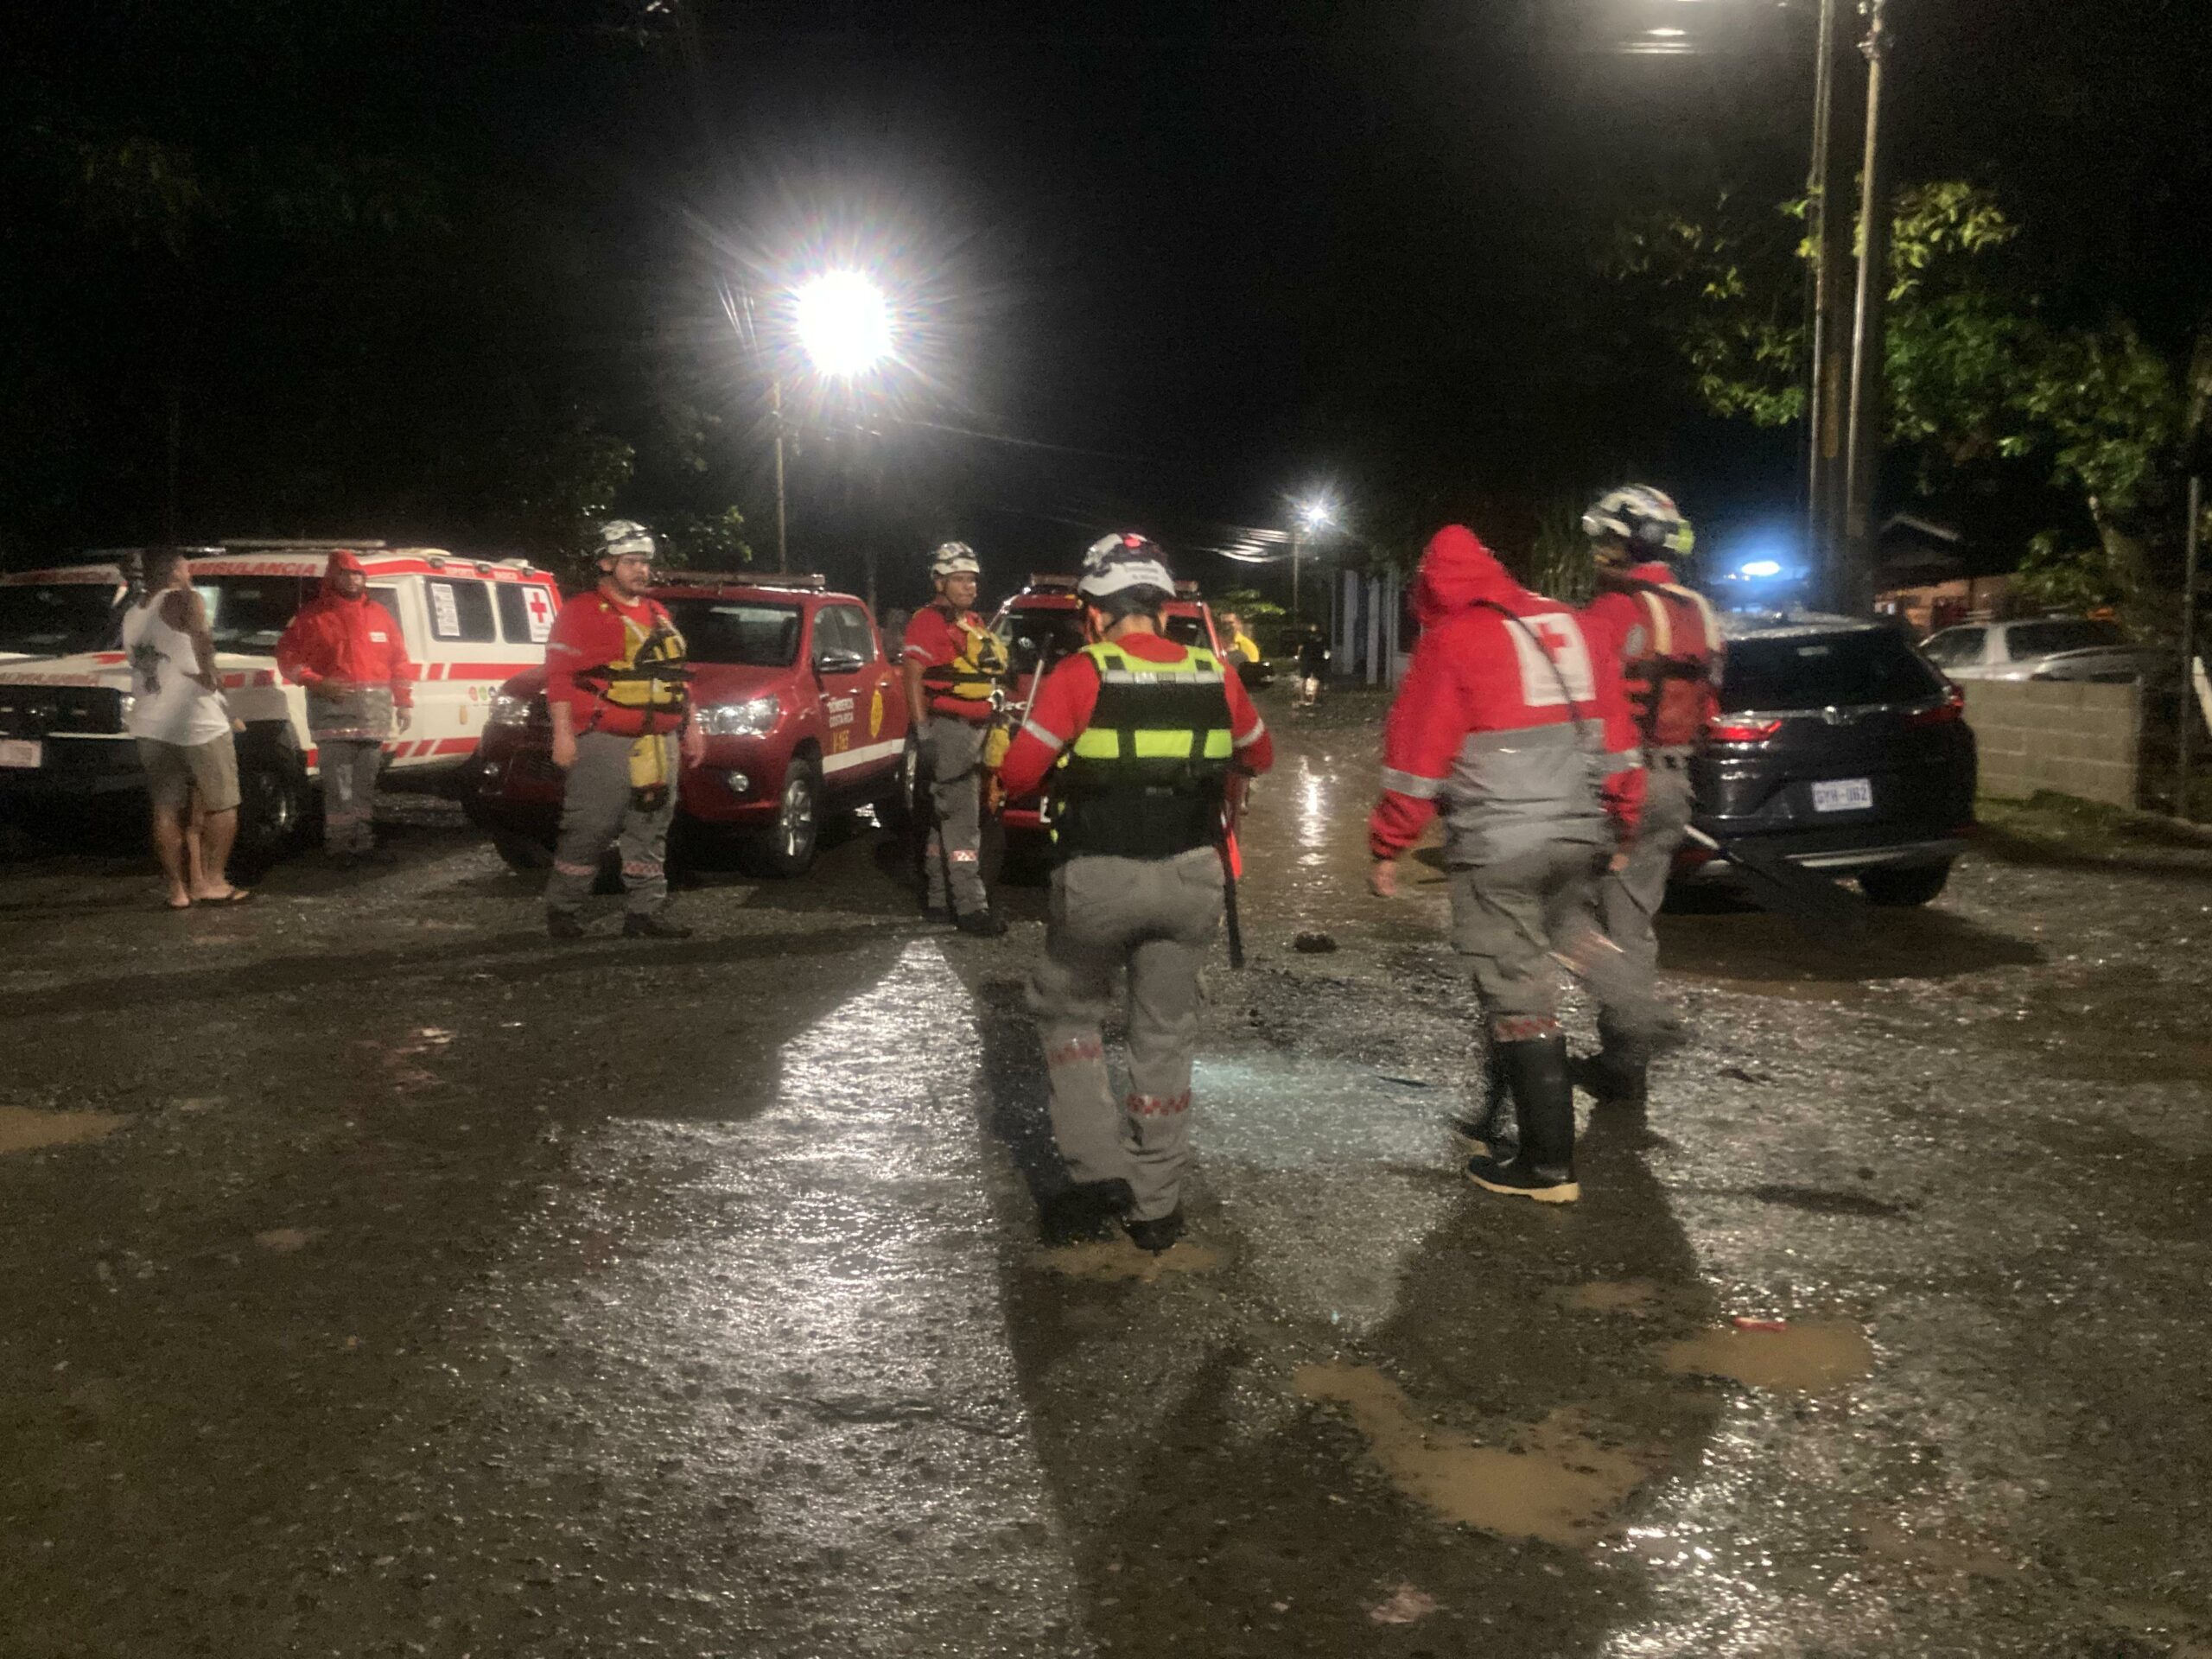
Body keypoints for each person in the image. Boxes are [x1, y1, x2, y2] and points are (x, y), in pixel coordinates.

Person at [997, 532, 1274, 1251]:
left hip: (1100, 875)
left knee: (1066, 1010)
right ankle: (1156, 1207)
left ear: (1094, 611)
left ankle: (1098, 1175)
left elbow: (1019, 775)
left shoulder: (1078, 674)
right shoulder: (1217, 672)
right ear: (1163, 608)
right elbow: (1261, 755)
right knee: (1164, 1036)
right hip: (1190, 876)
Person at [1364, 524, 1657, 1205]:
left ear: (1430, 590)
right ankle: (1634, 1015)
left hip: (1499, 845)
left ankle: (1547, 1164)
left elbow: (1416, 758)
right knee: (1561, 937)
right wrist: (1624, 820)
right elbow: (1617, 733)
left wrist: (1388, 848)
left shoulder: (1451, 640)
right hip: (1579, 830)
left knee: (1515, 987)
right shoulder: (1572, 625)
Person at [1575, 486, 1719, 1117]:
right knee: (1632, 922)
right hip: (1674, 779)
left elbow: (1582, 707)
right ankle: (1623, 1068)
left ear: (1632, 543)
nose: (1598, 552)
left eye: (1605, 540)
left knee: (1553, 912)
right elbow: (1710, 705)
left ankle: (1638, 1021)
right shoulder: (1701, 614)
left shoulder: (1613, 613)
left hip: (1616, 786)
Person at [542, 520, 704, 941]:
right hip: (604, 737)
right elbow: (559, 678)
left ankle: (644, 913)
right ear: (606, 563)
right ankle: (564, 910)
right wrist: (562, 735)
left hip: (659, 739)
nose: (641, 571)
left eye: (645, 563)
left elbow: (676, 676)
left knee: (651, 827)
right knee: (591, 827)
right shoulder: (580, 612)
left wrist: (692, 727)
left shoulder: (659, 614)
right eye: (631, 562)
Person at [121, 547, 251, 910]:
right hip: (196, 721)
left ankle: (177, 889)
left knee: (166, 807)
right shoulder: (184, 599)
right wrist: (216, 685)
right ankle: (213, 881)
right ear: (174, 571)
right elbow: (202, 646)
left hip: (150, 720)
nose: (190, 573)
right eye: (186, 567)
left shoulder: (132, 613)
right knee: (223, 803)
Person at [275, 550, 418, 865]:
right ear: (332, 578)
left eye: (358, 574)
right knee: (339, 787)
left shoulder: (380, 614)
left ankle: (363, 844)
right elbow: (288, 659)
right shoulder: (312, 617)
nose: (353, 580)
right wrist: (316, 682)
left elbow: (399, 661)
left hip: (373, 721)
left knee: (364, 788)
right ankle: (339, 847)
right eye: (346, 574)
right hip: (334, 720)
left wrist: (404, 703)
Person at [901, 541, 1008, 937]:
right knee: (963, 820)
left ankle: (938, 897)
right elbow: (912, 675)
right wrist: (923, 730)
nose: (969, 586)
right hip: (948, 729)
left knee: (940, 817)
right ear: (940, 581)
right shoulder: (928, 621)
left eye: (973, 579)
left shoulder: (973, 622)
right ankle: (971, 907)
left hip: (976, 730)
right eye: (960, 579)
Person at [1294, 624, 1330, 709]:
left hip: (1311, 659)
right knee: (1308, 679)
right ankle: (1308, 699)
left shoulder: (1306, 635)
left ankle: (1307, 699)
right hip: (1313, 659)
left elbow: (1300, 647)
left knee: (1307, 678)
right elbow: (1301, 647)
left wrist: (1299, 656)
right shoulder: (1320, 635)